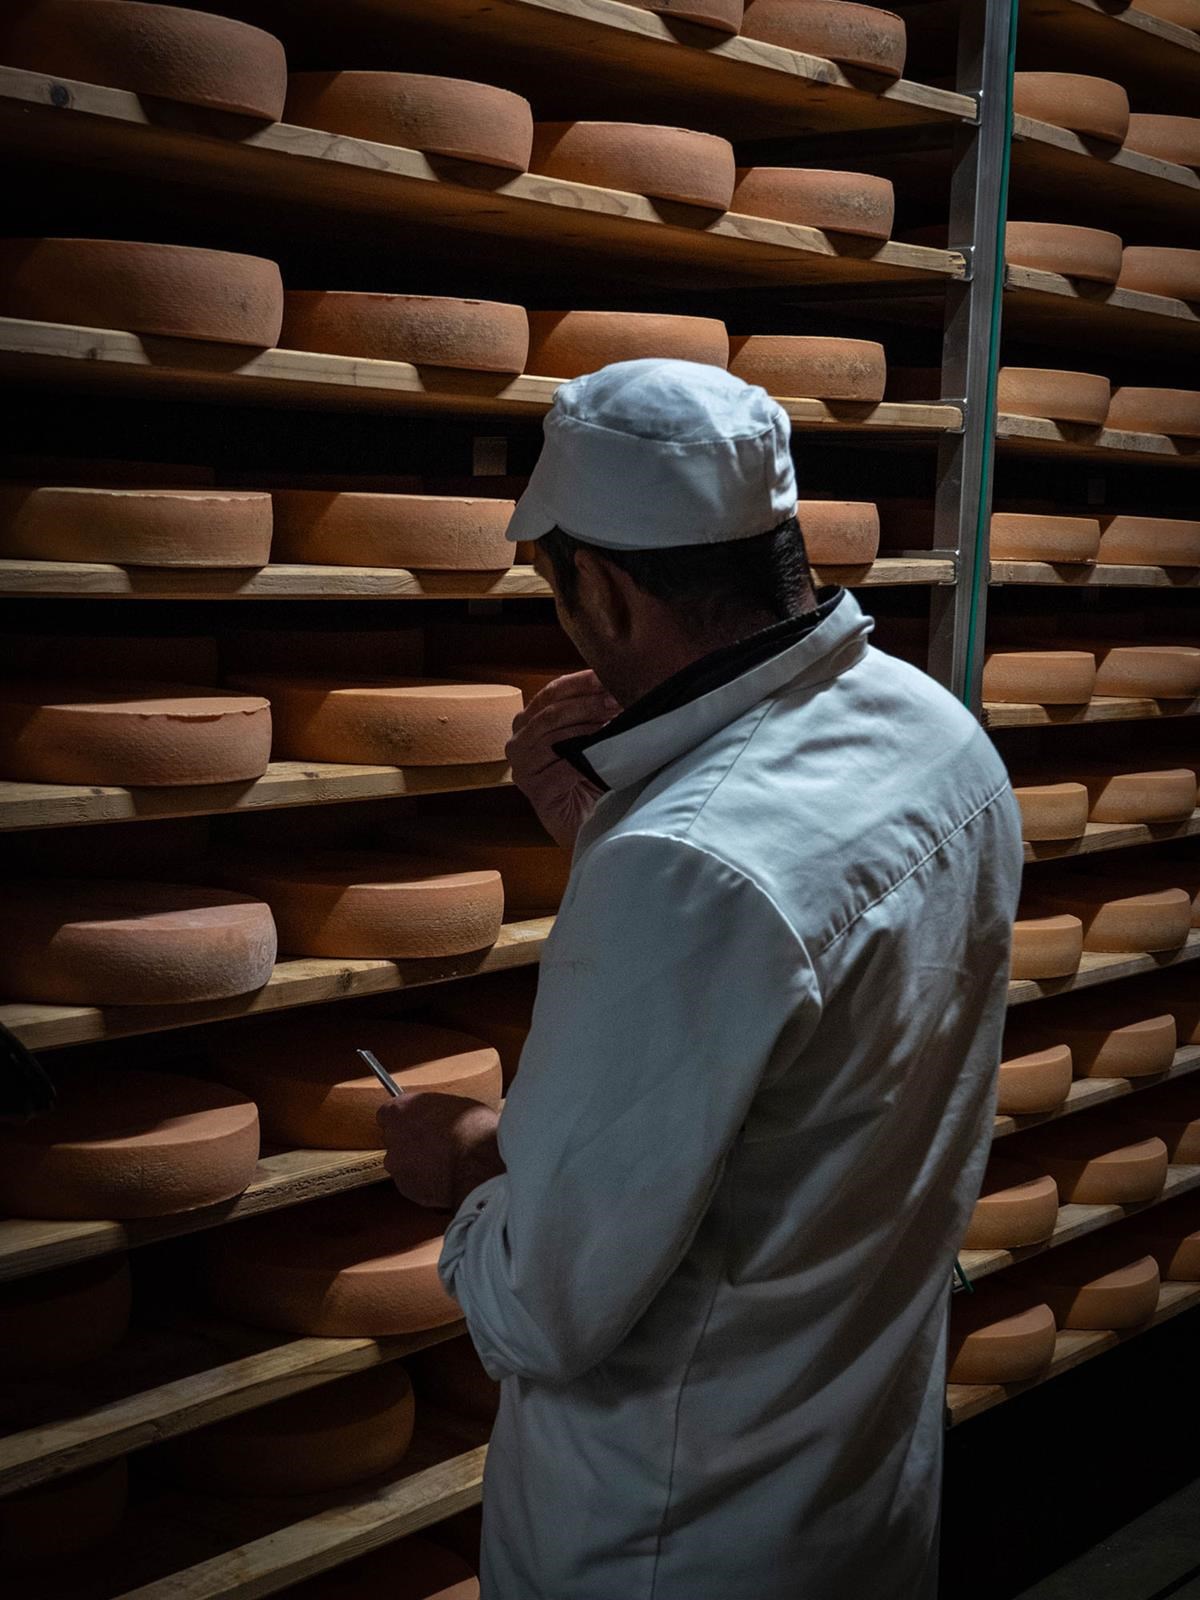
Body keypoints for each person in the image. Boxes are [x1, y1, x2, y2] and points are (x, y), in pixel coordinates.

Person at [378, 359, 1023, 1600]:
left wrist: (469, 1161)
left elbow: (540, 1309)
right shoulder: (939, 734)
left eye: (555, 588)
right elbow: (809, 1022)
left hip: (674, 1535)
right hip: (856, 1493)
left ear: (608, 589)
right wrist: (609, 838)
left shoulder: (684, 867)